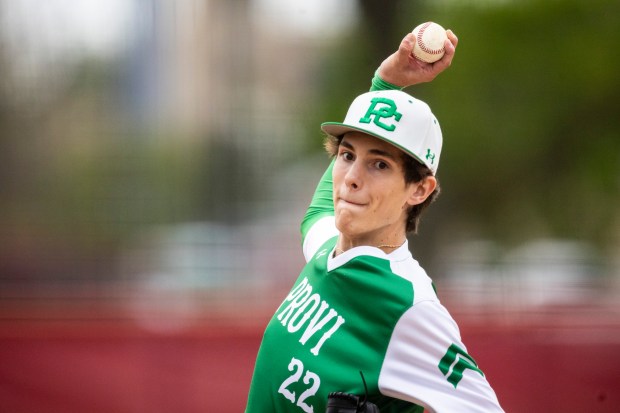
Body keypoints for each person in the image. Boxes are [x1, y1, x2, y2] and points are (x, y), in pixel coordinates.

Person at [245, 29, 504, 413]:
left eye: (378, 164)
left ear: (419, 189)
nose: (351, 176)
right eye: (347, 155)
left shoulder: (407, 305)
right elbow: (320, 211)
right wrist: (387, 83)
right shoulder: (327, 248)